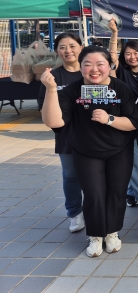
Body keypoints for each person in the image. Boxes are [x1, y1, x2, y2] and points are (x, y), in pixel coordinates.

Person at [41, 46, 138, 258]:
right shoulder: (72, 90)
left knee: (116, 193)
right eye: (88, 64)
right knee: (93, 194)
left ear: (110, 66)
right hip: (86, 151)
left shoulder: (121, 88)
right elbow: (54, 122)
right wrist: (51, 90)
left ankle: (112, 232)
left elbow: (136, 123)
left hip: (119, 150)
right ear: (80, 67)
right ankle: (96, 235)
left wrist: (110, 119)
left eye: (100, 64)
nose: (94, 69)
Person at [37, 33, 85, 233]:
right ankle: (75, 213)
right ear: (57, 51)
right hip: (67, 136)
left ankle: (95, 211)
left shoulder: (90, 72)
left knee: (96, 175)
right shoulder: (52, 77)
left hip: (94, 135)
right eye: (63, 47)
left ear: (81, 47)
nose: (68, 51)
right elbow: (44, 109)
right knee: (70, 175)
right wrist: (50, 88)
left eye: (72, 46)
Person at [107, 20, 138, 211]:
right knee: (132, 161)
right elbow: (112, 56)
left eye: (136, 53)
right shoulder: (120, 71)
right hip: (124, 122)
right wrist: (114, 34)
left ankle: (131, 192)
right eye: (128, 53)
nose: (132, 57)